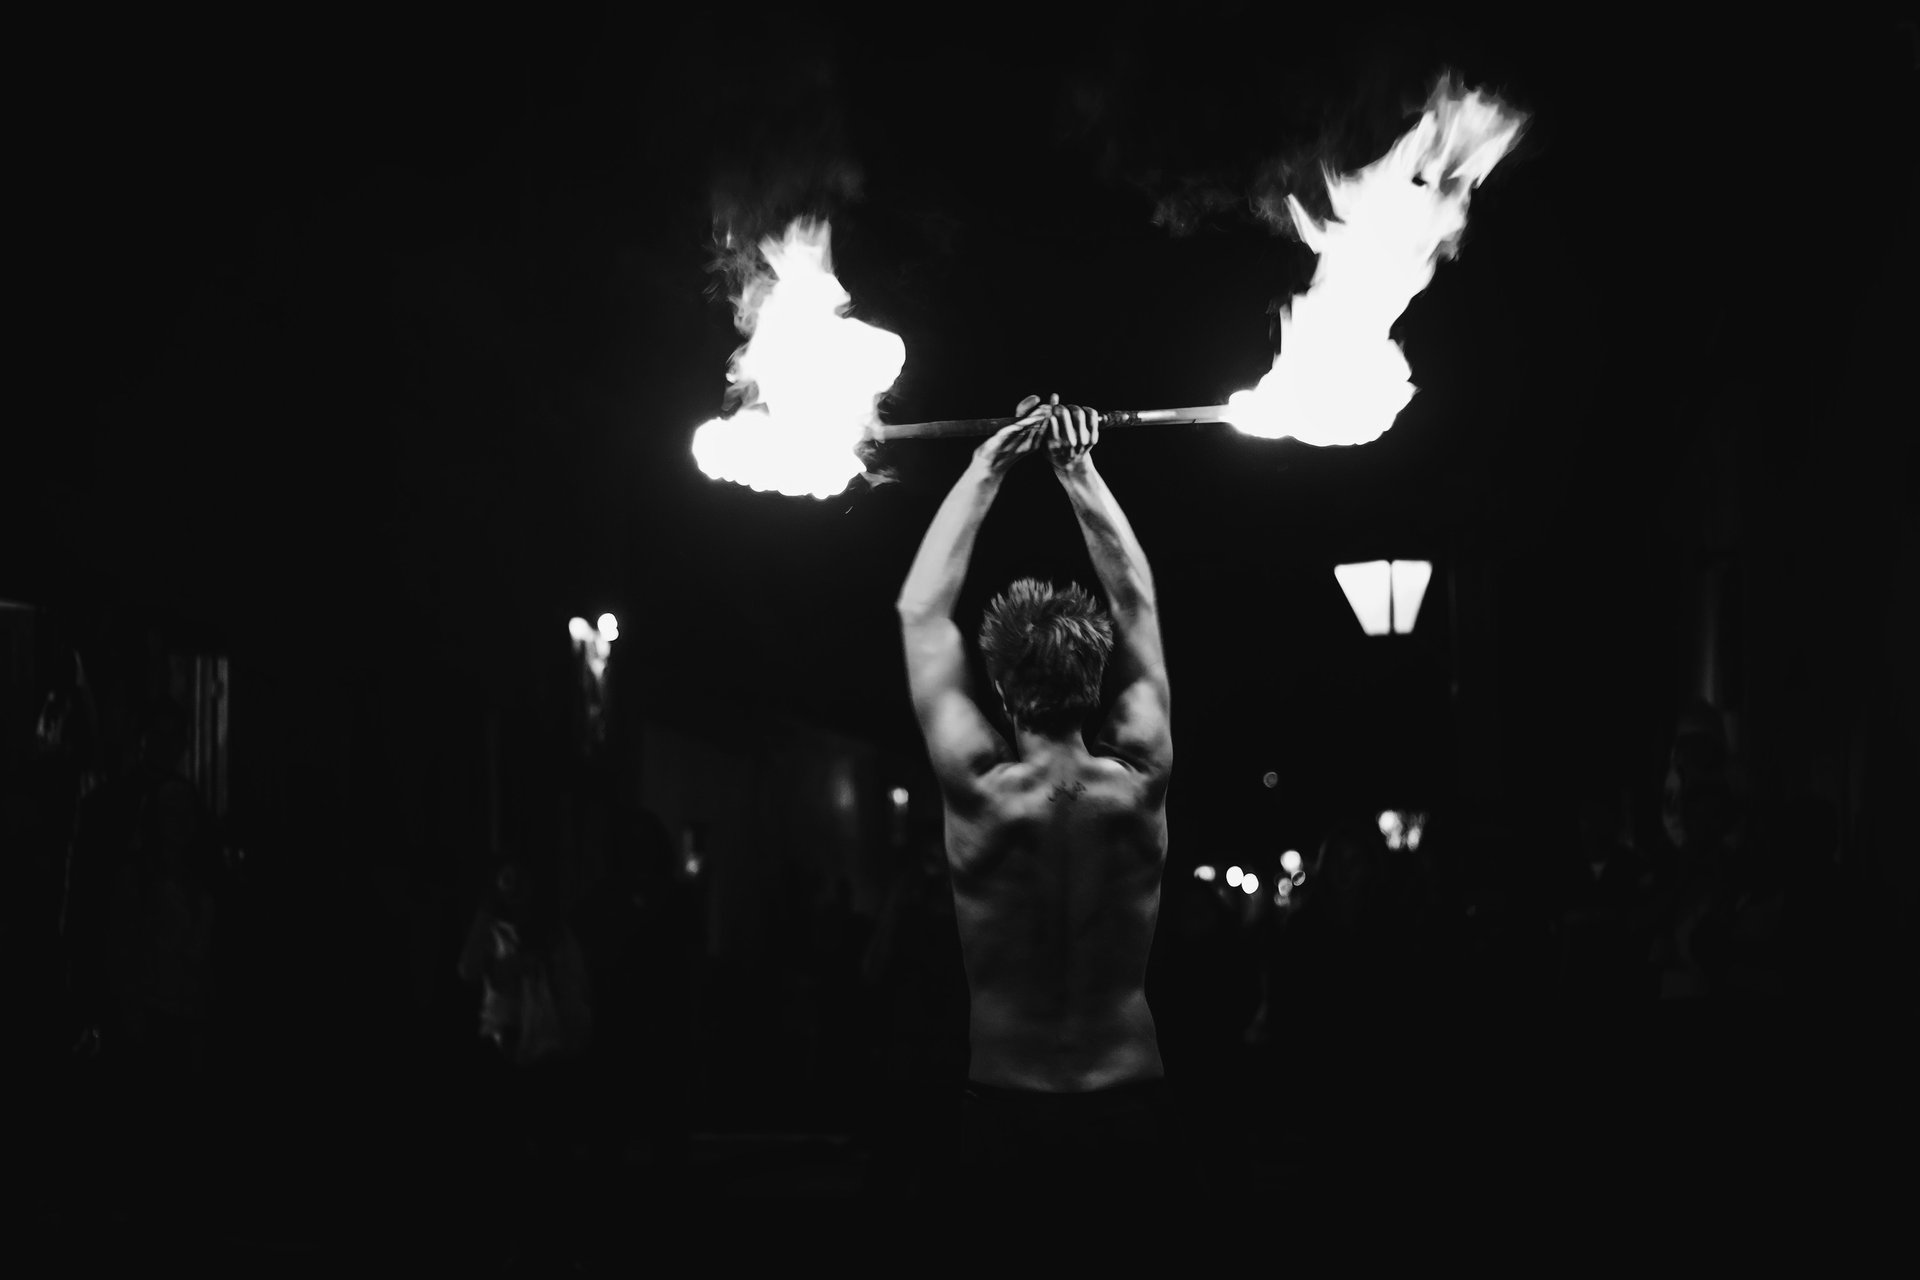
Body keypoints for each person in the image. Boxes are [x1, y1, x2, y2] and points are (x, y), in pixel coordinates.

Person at [895, 392, 1189, 1203]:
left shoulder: (980, 791)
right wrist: (1077, 468)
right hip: (1130, 1101)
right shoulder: (1139, 781)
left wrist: (986, 465)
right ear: (1099, 682)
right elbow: (1137, 602)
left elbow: (921, 611)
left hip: (1008, 1107)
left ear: (997, 684)